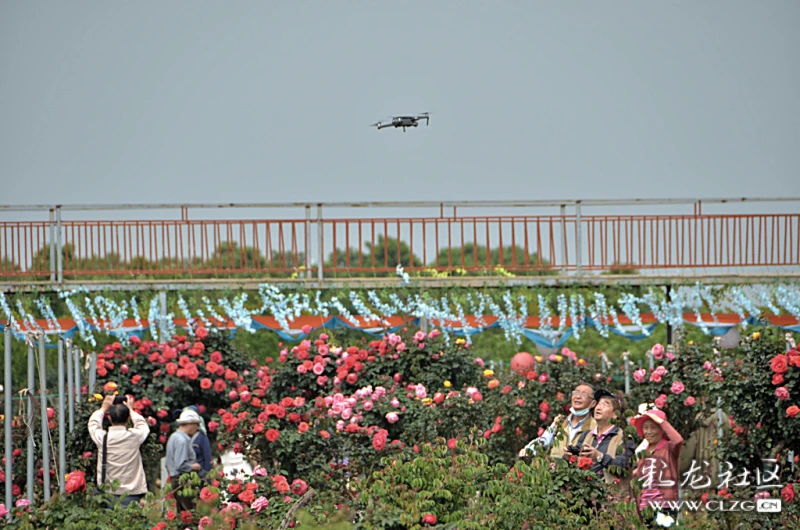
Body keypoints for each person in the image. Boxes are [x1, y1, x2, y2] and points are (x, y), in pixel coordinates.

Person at [87, 395, 150, 508]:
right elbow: (142, 424)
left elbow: (93, 424)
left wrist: (103, 409)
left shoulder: (103, 438)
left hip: (108, 493)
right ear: (128, 419)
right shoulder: (135, 436)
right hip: (131, 493)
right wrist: (131, 410)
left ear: (110, 419)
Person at [572, 388, 635, 484]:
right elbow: (576, 456)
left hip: (612, 496)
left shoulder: (624, 438)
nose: (599, 407)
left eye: (605, 404)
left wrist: (599, 456)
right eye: (599, 403)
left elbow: (623, 465)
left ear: (615, 414)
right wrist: (568, 455)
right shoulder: (586, 435)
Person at [519, 382, 597, 458]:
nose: (578, 396)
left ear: (593, 403)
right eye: (576, 393)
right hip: (556, 469)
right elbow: (544, 440)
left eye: (584, 394)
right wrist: (529, 449)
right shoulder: (560, 422)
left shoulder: (595, 427)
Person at [630, 408, 684, 518]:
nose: (649, 432)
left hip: (664, 506)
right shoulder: (644, 452)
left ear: (662, 430)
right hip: (645, 507)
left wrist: (661, 421)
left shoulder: (668, 448)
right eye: (645, 428)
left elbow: (678, 440)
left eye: (653, 427)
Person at [165, 409, 203, 511]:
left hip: (175, 479)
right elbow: (180, 465)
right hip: (182, 480)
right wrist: (194, 466)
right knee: (190, 512)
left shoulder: (174, 437)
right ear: (190, 424)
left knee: (182, 513)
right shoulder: (182, 441)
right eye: (196, 425)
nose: (197, 428)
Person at [186, 405, 212, 478]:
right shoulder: (181, 437)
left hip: (199, 477)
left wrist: (207, 477)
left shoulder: (201, 437)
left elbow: (207, 458)